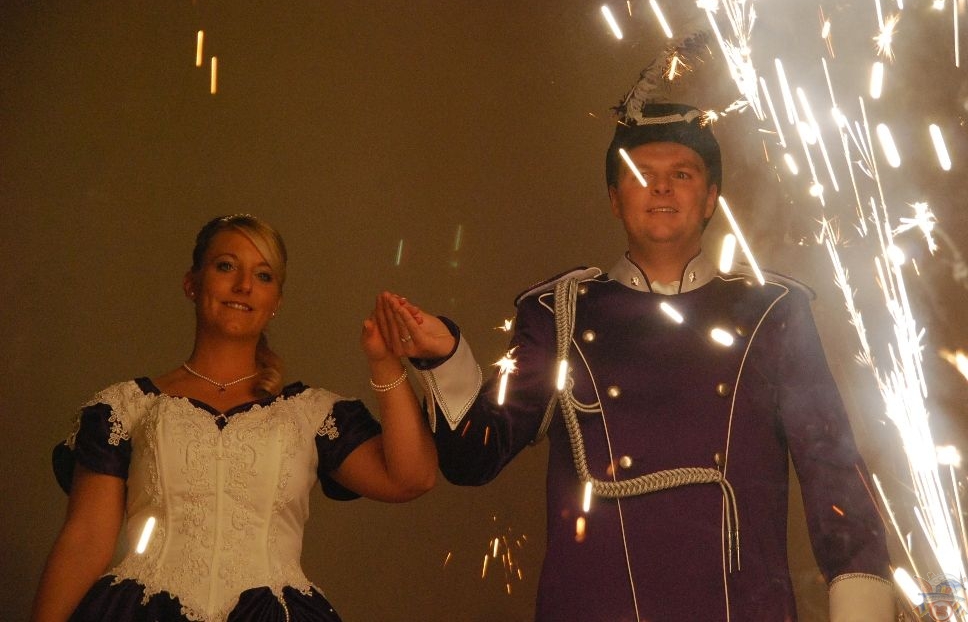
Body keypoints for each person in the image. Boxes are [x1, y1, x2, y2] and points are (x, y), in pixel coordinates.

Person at [376, 104, 896, 620]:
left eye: (682, 174)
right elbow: (474, 459)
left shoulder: (772, 310)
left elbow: (834, 473)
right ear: (614, 199)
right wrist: (445, 356)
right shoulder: (558, 313)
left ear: (710, 198)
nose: (661, 187)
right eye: (641, 175)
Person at [30, 214, 437, 622]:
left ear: (276, 301)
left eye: (263, 275)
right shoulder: (126, 408)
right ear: (192, 283)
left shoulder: (310, 414)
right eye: (226, 266)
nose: (244, 285)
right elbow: (85, 541)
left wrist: (384, 362)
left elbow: (411, 478)